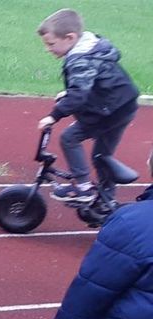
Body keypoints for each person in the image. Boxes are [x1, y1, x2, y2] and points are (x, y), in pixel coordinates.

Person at [36, 8, 139, 205]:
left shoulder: (80, 59)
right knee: (102, 156)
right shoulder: (92, 48)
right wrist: (69, 94)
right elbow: (93, 81)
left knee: (69, 138)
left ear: (70, 37)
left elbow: (79, 95)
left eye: (51, 44)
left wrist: (53, 116)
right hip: (123, 105)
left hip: (111, 111)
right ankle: (106, 201)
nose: (48, 49)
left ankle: (83, 188)